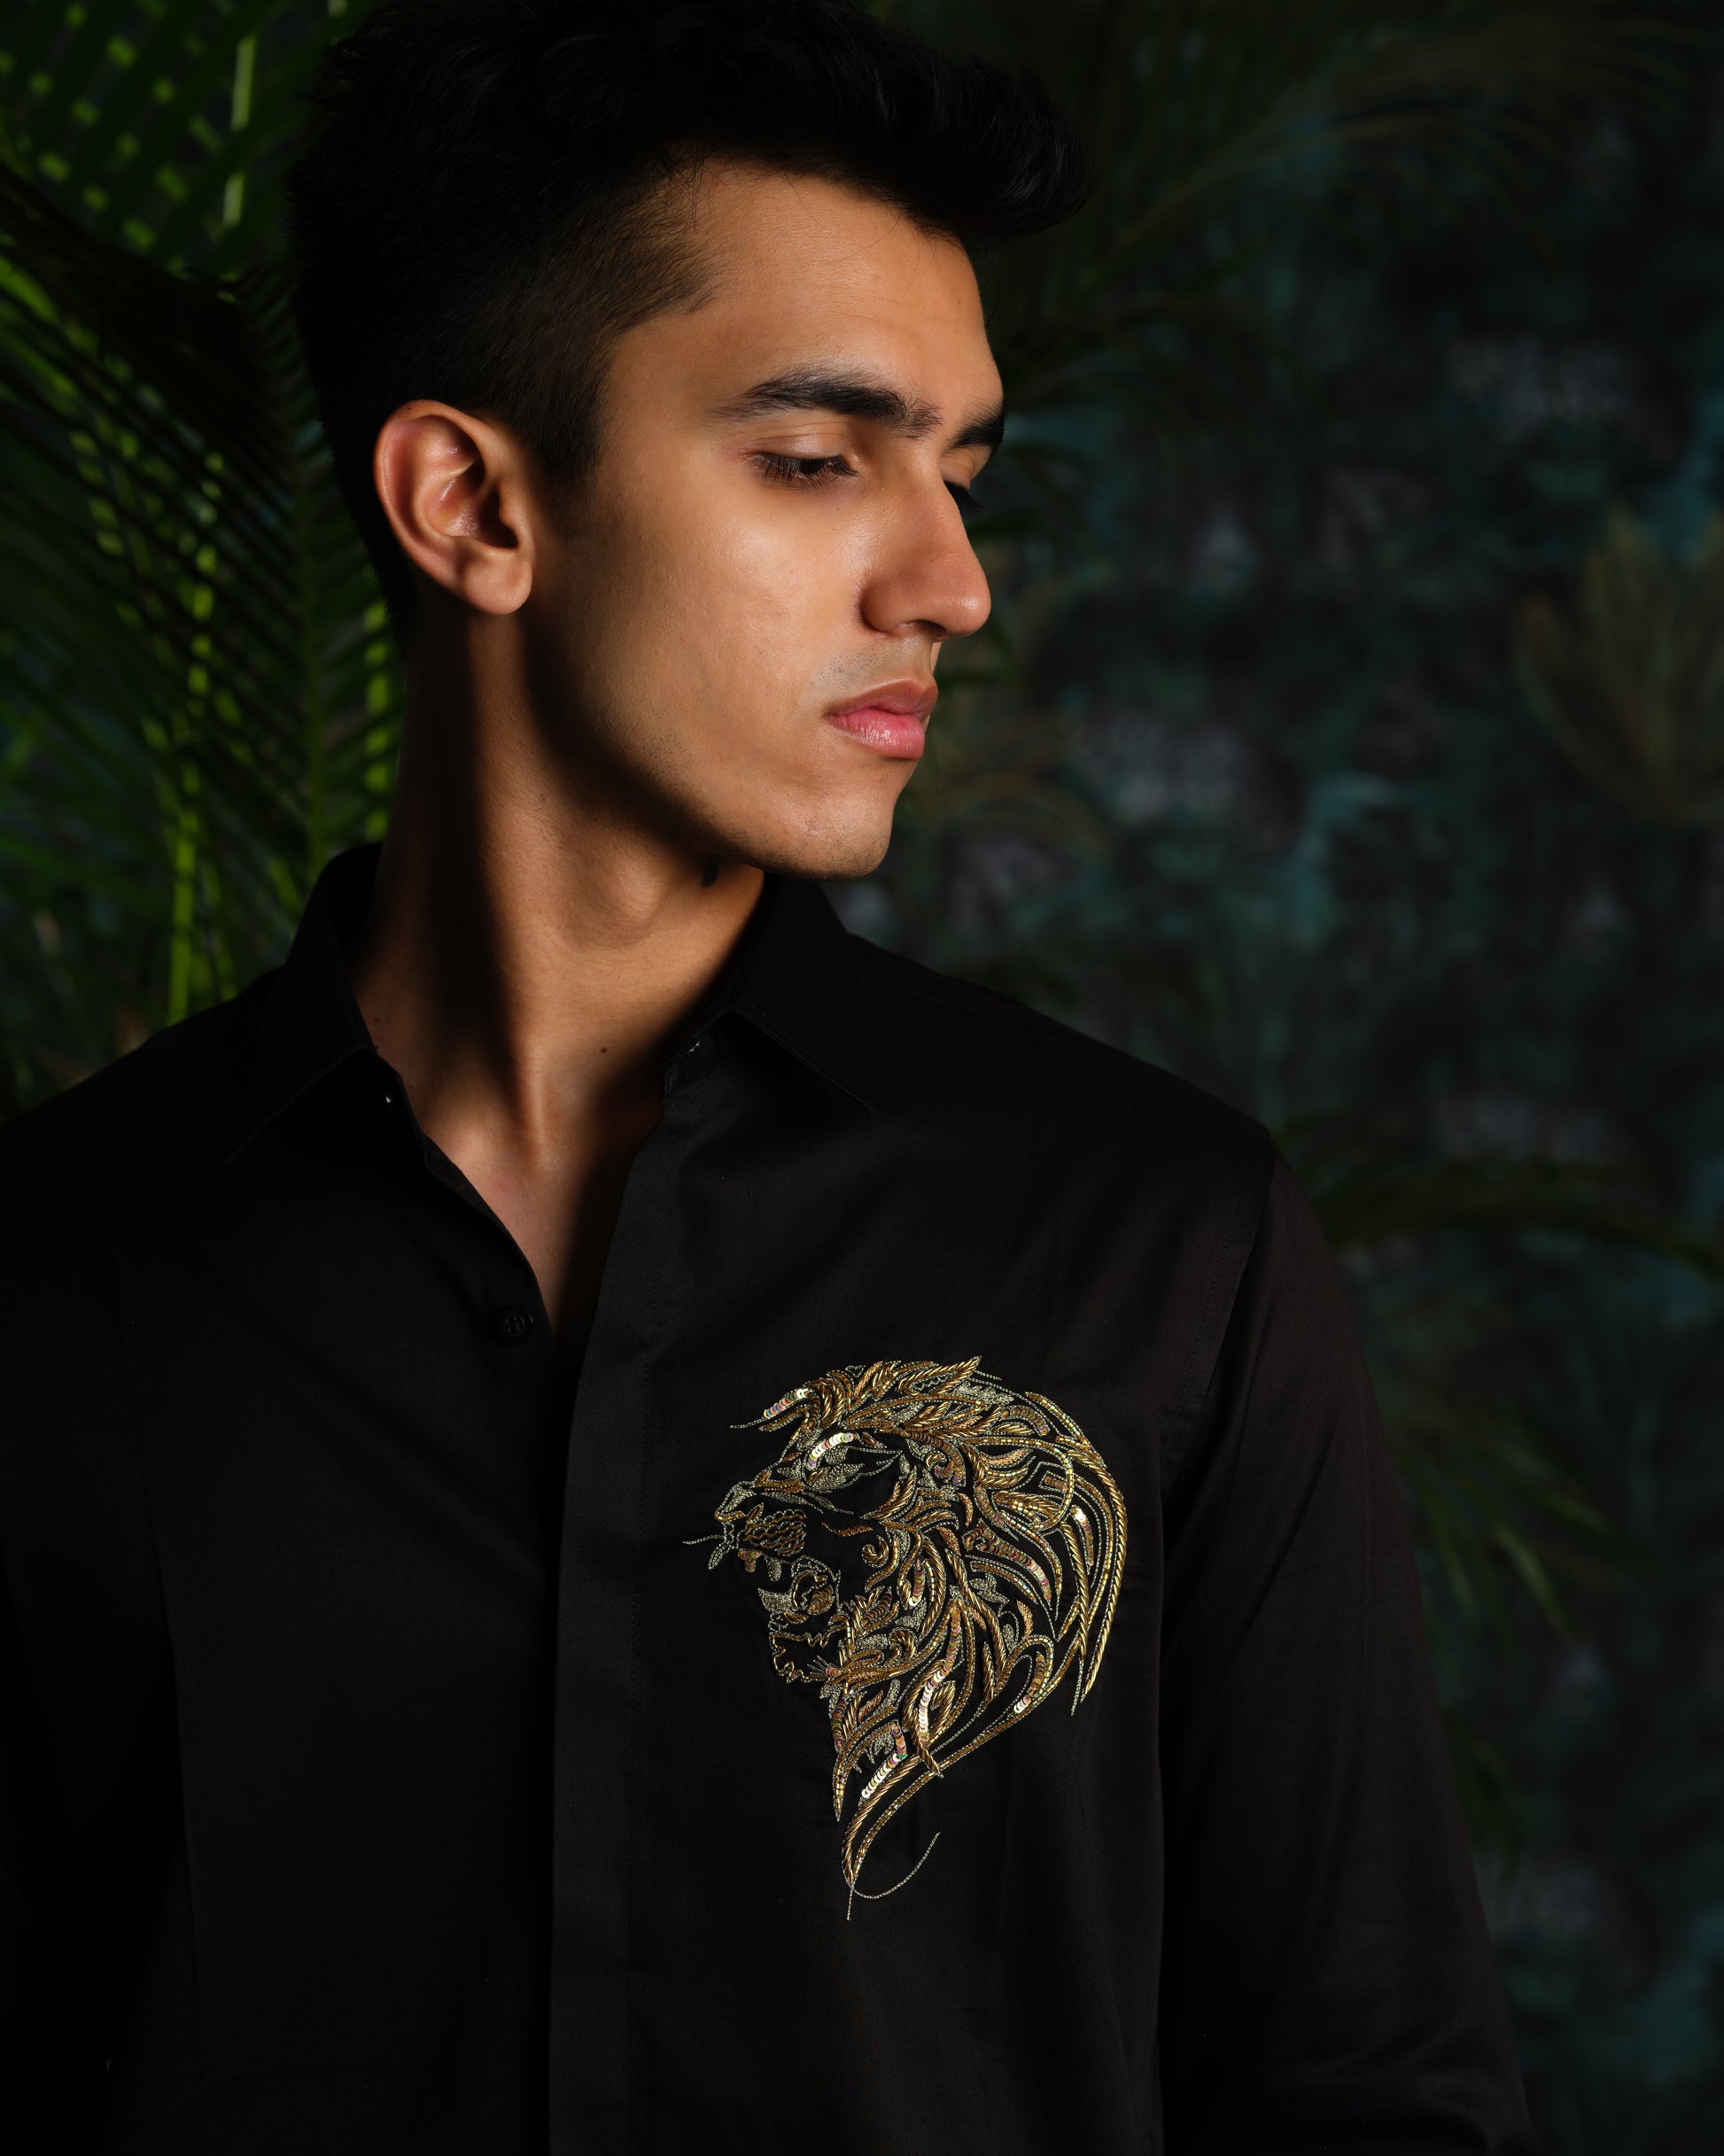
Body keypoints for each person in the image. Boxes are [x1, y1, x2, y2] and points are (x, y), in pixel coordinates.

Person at [0, 3, 1537, 2150]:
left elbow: (1367, 2088)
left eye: (960, 471)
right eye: (819, 459)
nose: (950, 583)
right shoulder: (57, 1277)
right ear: (471, 501)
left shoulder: (1156, 1240)